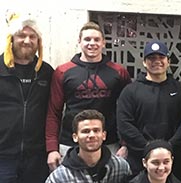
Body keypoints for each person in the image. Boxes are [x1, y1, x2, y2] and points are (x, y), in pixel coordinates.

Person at [0, 14, 54, 183]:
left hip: (35, 155)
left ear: (38, 42)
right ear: (12, 39)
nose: (27, 40)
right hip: (3, 156)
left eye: (32, 36)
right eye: (22, 35)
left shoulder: (46, 73)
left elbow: (53, 113)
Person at [46, 21, 131, 170]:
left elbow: (127, 111)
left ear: (104, 43)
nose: (92, 44)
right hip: (70, 144)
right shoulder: (62, 71)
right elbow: (54, 112)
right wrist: (52, 148)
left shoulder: (118, 72)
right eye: (87, 39)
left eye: (97, 40)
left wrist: (125, 144)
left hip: (109, 143)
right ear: (79, 41)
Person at [117, 40, 181, 183]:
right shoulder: (130, 91)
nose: (157, 61)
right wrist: (149, 149)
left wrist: (169, 148)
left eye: (161, 58)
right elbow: (124, 124)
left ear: (168, 61)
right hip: (140, 160)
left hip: (174, 160)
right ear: (144, 62)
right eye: (152, 58)